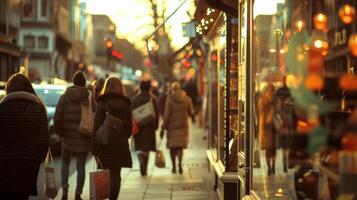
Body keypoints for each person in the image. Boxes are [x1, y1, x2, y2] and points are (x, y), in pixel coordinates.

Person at [0, 73, 49, 199]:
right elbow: (44, 140)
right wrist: (38, 158)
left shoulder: (2, 108)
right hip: (28, 162)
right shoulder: (38, 108)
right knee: (22, 195)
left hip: (4, 162)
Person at [93, 77, 132, 200]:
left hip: (105, 143)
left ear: (107, 86)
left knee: (108, 173)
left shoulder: (102, 102)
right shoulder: (126, 103)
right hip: (120, 144)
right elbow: (129, 127)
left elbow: (96, 124)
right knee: (117, 174)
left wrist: (94, 145)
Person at [54, 71, 91, 200]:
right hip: (83, 137)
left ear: (73, 81)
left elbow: (57, 117)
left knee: (65, 163)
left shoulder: (65, 96)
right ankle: (78, 193)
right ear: (84, 83)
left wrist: (60, 133)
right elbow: (93, 116)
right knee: (80, 166)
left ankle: (64, 191)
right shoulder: (88, 97)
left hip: (67, 138)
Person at [162, 82, 194, 174]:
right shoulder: (187, 99)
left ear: (172, 89)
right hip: (183, 126)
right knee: (180, 147)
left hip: (172, 127)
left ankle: (173, 167)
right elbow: (191, 111)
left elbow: (167, 115)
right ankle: (179, 164)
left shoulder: (170, 99)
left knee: (172, 148)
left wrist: (163, 127)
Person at [132, 80, 159, 176]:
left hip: (138, 127)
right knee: (147, 148)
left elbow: (131, 114)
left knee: (140, 146)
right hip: (149, 127)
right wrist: (156, 126)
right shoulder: (153, 99)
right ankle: (144, 169)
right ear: (149, 88)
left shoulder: (135, 99)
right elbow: (157, 114)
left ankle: (140, 158)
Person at [257, 83, 277, 176]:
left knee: (272, 149)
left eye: (272, 91)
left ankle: (272, 167)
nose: (271, 93)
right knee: (270, 150)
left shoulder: (272, 100)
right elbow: (261, 115)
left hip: (271, 128)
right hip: (268, 128)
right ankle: (270, 168)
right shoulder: (264, 101)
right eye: (270, 91)